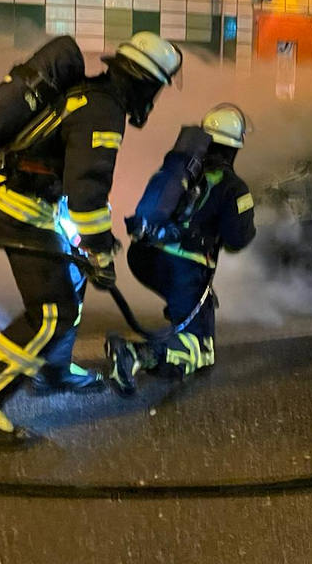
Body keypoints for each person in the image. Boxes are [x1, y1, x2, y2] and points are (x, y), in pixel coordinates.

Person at [0, 32, 183, 449]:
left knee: (73, 285)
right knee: (50, 313)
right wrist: (100, 250)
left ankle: (52, 371)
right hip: (19, 206)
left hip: (35, 200)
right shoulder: (103, 111)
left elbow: (72, 185)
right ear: (145, 82)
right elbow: (87, 191)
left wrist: (89, 251)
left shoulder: (92, 94)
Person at [105, 104, 256, 393]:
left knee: (202, 321)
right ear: (234, 147)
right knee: (195, 350)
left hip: (144, 255)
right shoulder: (233, 187)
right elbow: (239, 240)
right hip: (180, 266)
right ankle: (134, 354)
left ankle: (187, 338)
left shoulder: (182, 170)